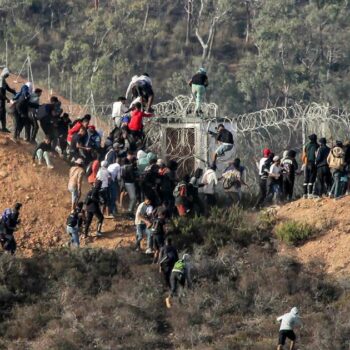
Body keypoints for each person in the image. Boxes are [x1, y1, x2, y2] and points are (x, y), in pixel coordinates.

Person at [302, 134, 319, 198]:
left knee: (306, 178)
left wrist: (304, 162)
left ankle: (304, 194)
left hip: (306, 163)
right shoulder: (317, 146)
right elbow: (317, 155)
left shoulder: (306, 145)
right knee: (312, 178)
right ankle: (310, 193)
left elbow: (303, 156)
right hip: (313, 164)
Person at [0, 67, 16, 133]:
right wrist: (6, 98)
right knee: (1, 113)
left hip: (2, 100)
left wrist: (15, 92)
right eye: (7, 75)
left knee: (3, 113)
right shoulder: (1, 80)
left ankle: (4, 127)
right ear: (4, 73)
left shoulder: (3, 80)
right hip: (0, 100)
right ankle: (2, 128)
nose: (7, 76)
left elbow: (8, 88)